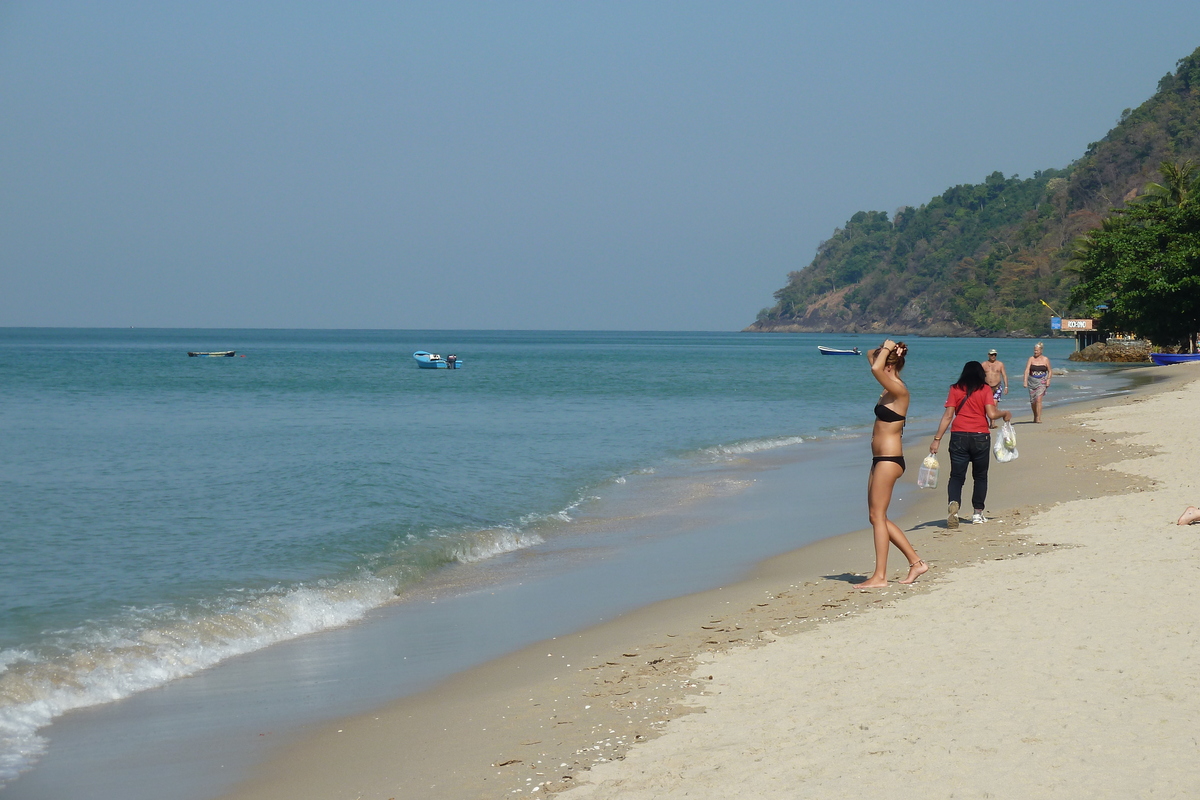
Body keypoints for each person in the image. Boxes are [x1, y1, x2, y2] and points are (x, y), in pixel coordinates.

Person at [854, 339, 927, 588]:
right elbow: (869, 355)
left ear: (888, 365)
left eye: (881, 361)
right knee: (876, 517)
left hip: (889, 459)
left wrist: (886, 349)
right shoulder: (888, 389)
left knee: (878, 516)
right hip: (879, 459)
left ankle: (880, 576)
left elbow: (875, 367)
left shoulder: (898, 389)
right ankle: (916, 563)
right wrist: (890, 348)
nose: (877, 363)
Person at [930, 361, 1012, 527]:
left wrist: (937, 439)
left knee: (957, 476)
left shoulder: (955, 389)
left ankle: (954, 503)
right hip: (980, 436)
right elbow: (991, 414)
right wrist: (1005, 413)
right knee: (980, 476)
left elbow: (948, 416)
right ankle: (977, 513)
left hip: (958, 435)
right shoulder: (985, 389)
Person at [1023, 342, 1052, 423]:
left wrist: (1048, 379)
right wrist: (1025, 381)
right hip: (1032, 381)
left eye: (1037, 350)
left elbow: (1050, 371)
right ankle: (1035, 415)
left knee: (1039, 399)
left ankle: (1038, 418)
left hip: (1042, 381)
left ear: (1041, 351)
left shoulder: (1045, 359)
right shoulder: (1031, 359)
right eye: (1035, 350)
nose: (1035, 352)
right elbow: (1027, 370)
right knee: (1033, 401)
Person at [982, 348, 1008, 427]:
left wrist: (1006, 386)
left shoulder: (1000, 364)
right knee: (987, 405)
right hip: (987, 387)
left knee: (994, 404)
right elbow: (979, 376)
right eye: (992, 355)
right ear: (988, 355)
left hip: (997, 386)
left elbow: (1004, 375)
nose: (993, 356)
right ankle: (990, 422)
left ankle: (992, 423)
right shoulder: (983, 364)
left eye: (995, 355)